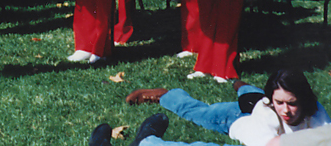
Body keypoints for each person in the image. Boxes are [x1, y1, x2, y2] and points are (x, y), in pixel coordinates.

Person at [122, 69, 330, 146]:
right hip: (236, 118)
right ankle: (167, 96)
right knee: (199, 113)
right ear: (272, 100)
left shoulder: (317, 112)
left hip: (257, 101)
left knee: (253, 97)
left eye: (292, 103)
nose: (285, 110)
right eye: (280, 103)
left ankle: (242, 86)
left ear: (304, 100)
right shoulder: (266, 112)